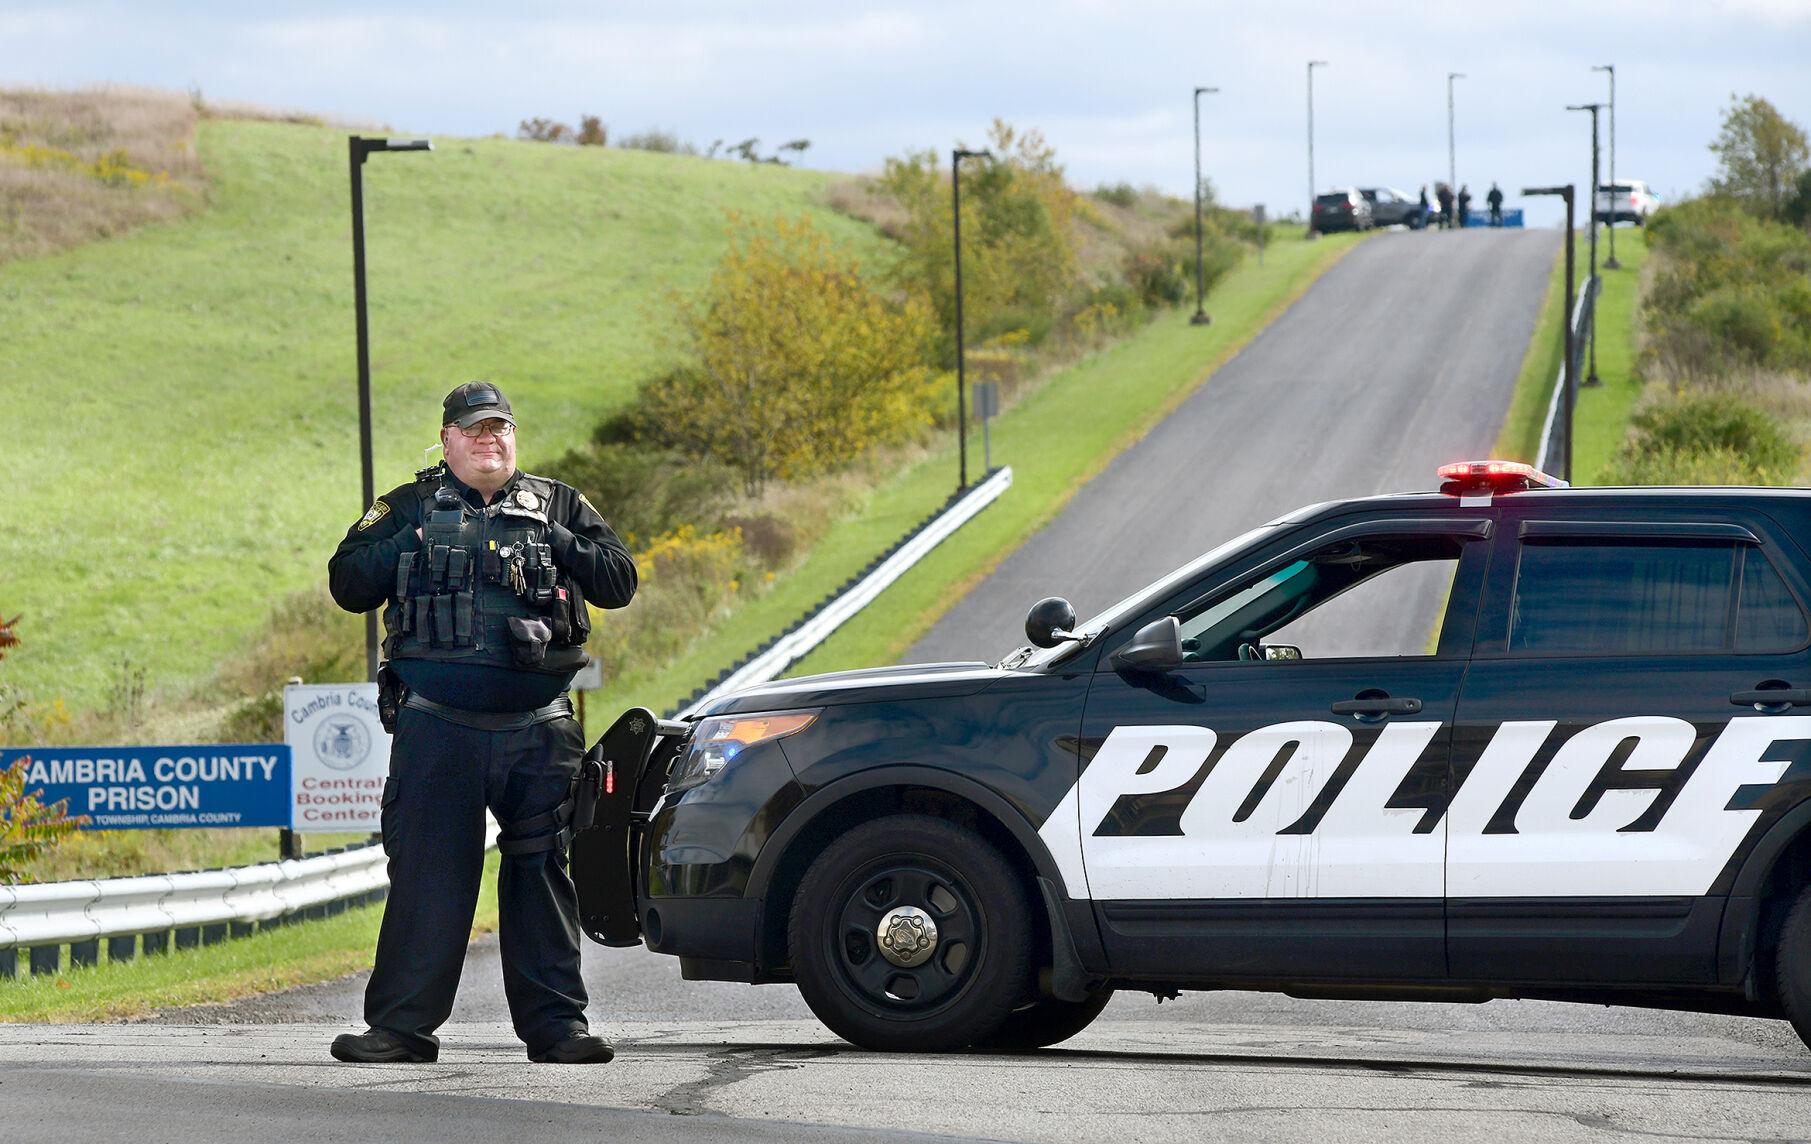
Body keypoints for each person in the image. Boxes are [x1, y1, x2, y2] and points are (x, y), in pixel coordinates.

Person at [326, 381, 638, 1065]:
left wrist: (556, 539)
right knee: (429, 878)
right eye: (472, 430)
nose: (487, 439)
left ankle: (559, 1030)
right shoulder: (406, 505)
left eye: (499, 427)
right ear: (447, 441)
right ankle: (401, 1030)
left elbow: (619, 580)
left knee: (544, 875)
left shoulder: (559, 503)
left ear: (513, 436)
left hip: (539, 727)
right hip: (439, 727)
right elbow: (347, 584)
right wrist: (412, 537)